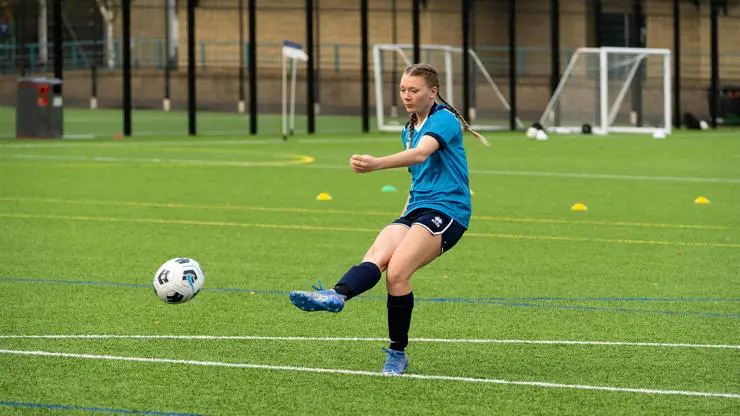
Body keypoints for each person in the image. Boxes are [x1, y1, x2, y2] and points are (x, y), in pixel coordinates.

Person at [289, 63, 488, 375]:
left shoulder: (444, 120)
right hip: (416, 209)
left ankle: (397, 353)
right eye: (402, 90)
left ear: (432, 92)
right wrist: (402, 219)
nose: (406, 96)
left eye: (414, 90)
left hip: (448, 210)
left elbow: (422, 154)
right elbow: (416, 178)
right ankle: (337, 294)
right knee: (377, 254)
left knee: (397, 273)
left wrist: (377, 163)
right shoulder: (407, 130)